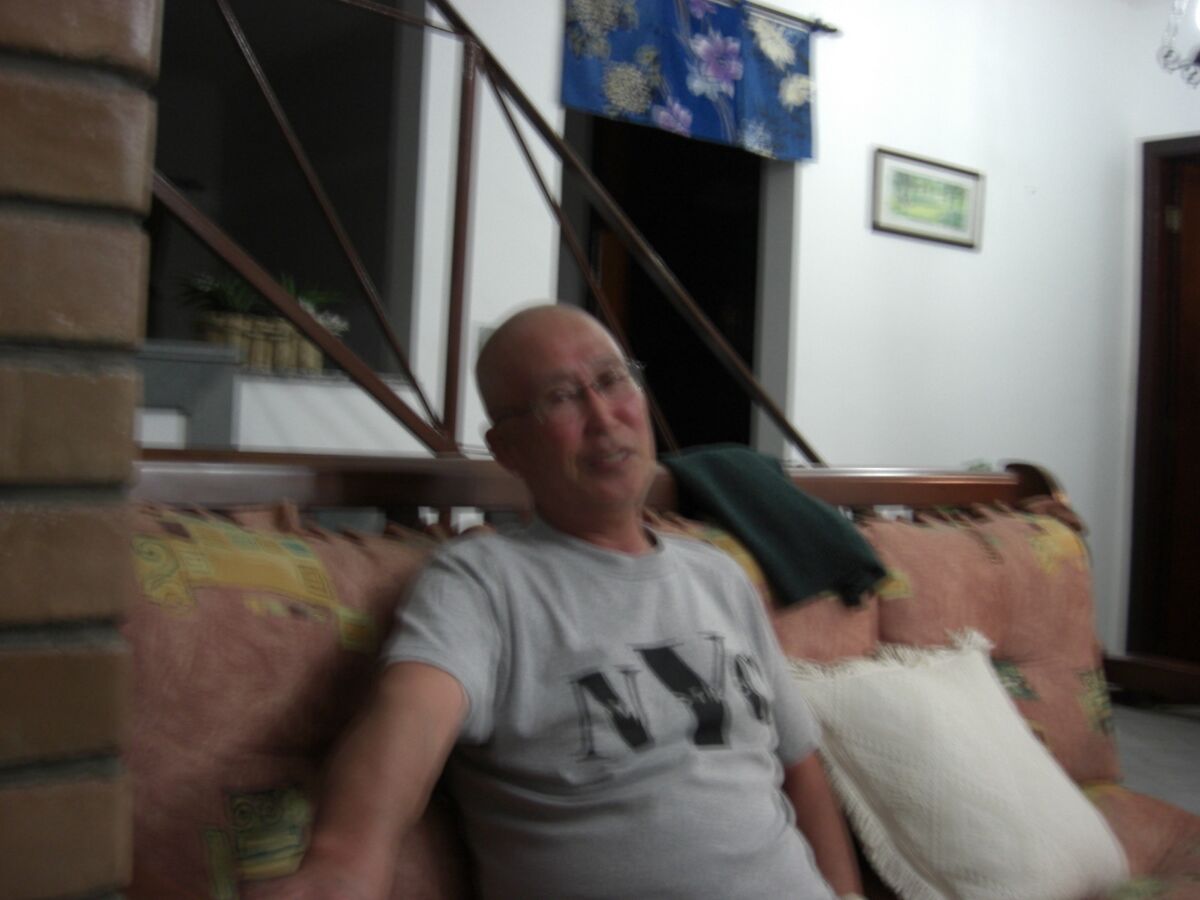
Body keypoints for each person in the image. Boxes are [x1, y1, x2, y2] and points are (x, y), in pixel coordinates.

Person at [253, 304, 863, 900]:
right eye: (561, 397)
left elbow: (799, 764)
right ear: (507, 449)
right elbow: (410, 714)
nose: (603, 416)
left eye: (611, 380)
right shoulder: (484, 582)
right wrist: (344, 862)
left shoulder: (719, 575)